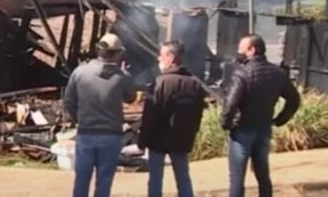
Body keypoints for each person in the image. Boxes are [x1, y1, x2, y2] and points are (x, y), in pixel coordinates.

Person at [222, 34, 301, 197]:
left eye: (241, 48)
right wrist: (279, 120)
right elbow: (294, 100)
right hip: (264, 129)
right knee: (263, 175)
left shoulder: (242, 74)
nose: (238, 51)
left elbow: (230, 104)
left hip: (242, 130)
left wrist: (226, 123)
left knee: (237, 178)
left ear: (252, 50)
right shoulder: (277, 73)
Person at [64, 32, 136, 197]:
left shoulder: (80, 73)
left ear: (98, 50)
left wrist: (79, 120)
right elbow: (131, 98)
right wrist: (125, 75)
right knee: (104, 182)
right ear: (118, 54)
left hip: (86, 134)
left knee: (81, 180)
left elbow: (69, 102)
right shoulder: (122, 77)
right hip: (111, 136)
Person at [138, 40, 206, 197]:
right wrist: (191, 136)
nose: (158, 59)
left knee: (155, 180)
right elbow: (198, 114)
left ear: (170, 57)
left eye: (161, 55)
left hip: (157, 141)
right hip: (182, 140)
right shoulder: (194, 84)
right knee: (183, 179)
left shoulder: (160, 83)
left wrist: (142, 141)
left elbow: (149, 116)